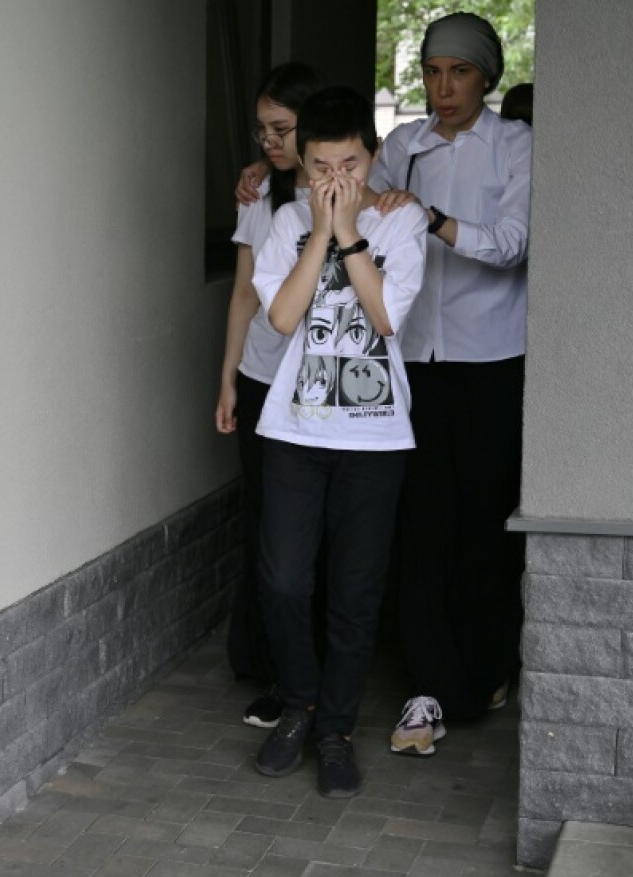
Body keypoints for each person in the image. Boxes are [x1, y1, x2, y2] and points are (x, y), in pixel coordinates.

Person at [250, 86, 427, 798]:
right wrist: (321, 231)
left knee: (355, 592)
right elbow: (286, 317)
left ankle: (337, 731)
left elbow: (384, 319)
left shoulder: (401, 223)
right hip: (293, 429)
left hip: (376, 437)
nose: (335, 181)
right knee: (284, 580)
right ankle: (301, 703)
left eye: (348, 164)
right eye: (321, 167)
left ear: (373, 154)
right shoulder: (285, 221)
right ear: (303, 163)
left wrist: (352, 230)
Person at [369, 12, 532, 756]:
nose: (442, 87)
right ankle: (428, 682)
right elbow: (350, 218)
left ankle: (487, 667)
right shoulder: (401, 146)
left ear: (485, 77)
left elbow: (510, 246)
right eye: (433, 71)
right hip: (411, 363)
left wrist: (432, 219)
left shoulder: (516, 146)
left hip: (492, 359)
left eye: (458, 72)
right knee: (422, 520)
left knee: (484, 521)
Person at [217, 63, 328, 729]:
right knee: (266, 530)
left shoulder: (343, 194)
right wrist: (227, 376)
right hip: (262, 381)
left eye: (281, 129)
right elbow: (240, 294)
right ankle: (272, 672)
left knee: (316, 539)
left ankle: (321, 676)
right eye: (261, 130)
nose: (268, 142)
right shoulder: (255, 195)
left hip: (322, 392)